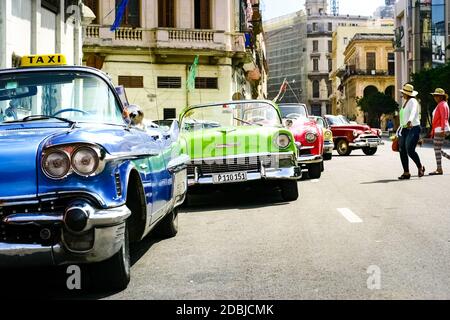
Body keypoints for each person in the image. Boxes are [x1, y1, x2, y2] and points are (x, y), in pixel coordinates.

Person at [397, 84, 425, 180]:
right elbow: (402, 118)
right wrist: (399, 130)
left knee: (410, 150)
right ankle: (406, 172)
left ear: (407, 94)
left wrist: (410, 120)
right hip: (404, 129)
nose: (402, 94)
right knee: (402, 150)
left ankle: (420, 167)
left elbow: (413, 112)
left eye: (403, 93)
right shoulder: (406, 102)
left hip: (413, 127)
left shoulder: (413, 101)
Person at [429, 88, 450, 175]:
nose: (435, 97)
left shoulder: (442, 104)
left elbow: (444, 117)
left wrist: (442, 128)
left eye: (437, 95)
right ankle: (440, 167)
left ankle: (439, 169)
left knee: (437, 149)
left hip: (440, 129)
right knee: (437, 149)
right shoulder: (441, 104)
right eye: (434, 95)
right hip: (438, 129)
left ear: (441, 97)